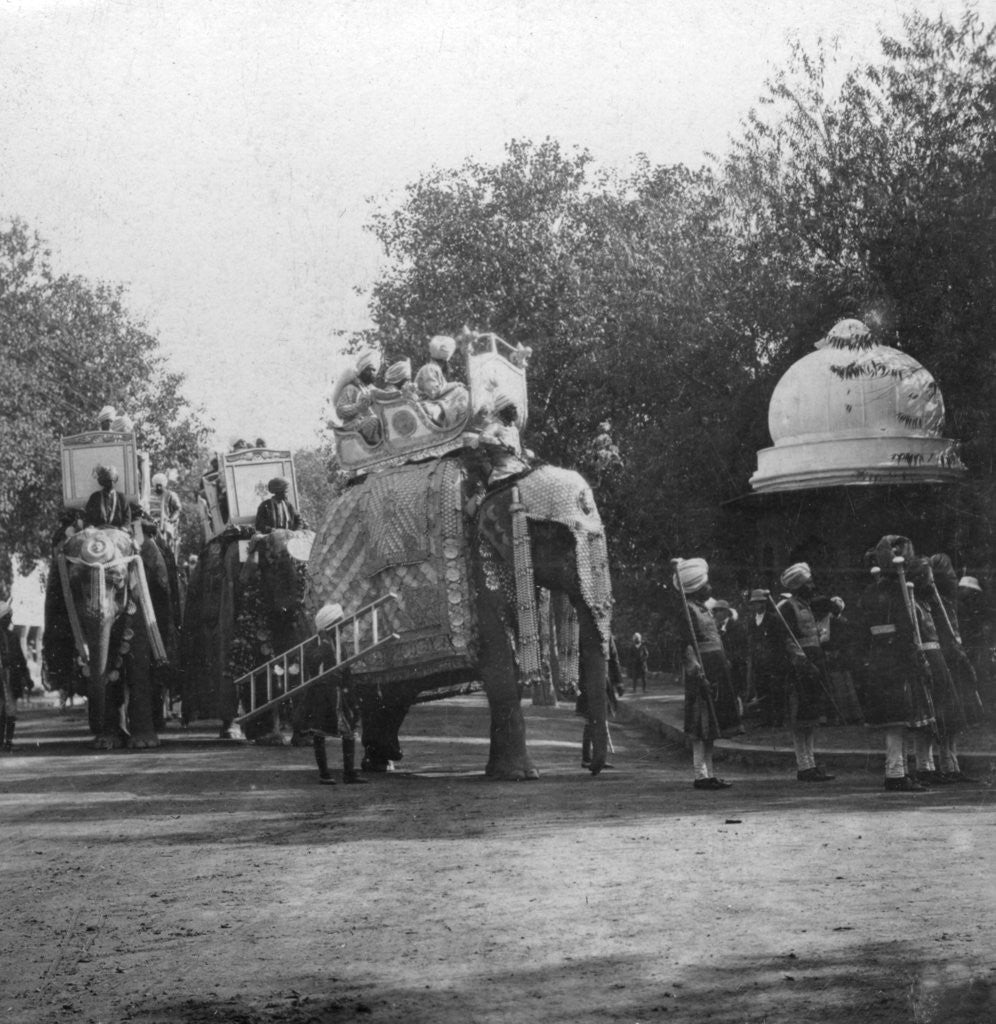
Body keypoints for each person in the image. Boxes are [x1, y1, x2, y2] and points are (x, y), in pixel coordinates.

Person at [857, 535, 936, 792]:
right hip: (898, 658)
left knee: (894, 718)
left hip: (877, 656)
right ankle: (895, 772)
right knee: (899, 718)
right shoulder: (900, 591)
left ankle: (897, 769)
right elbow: (907, 629)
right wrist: (915, 657)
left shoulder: (869, 592)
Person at [673, 557, 742, 790]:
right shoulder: (688, 610)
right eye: (705, 585)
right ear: (695, 587)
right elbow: (685, 644)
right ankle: (700, 774)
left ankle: (710, 773)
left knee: (712, 725)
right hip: (701, 670)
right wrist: (695, 668)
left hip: (716, 669)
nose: (708, 588)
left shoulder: (704, 609)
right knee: (701, 723)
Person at [293, 603, 367, 785]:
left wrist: (352, 696)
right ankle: (324, 773)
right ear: (328, 626)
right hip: (321, 695)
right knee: (320, 733)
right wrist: (325, 645)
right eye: (338, 625)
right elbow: (312, 664)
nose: (340, 629)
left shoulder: (340, 645)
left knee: (349, 731)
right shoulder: (313, 646)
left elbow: (346, 672)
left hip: (339, 694)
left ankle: (349, 773)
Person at [775, 563, 836, 782]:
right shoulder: (786, 607)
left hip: (815, 663)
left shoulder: (806, 605)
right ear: (798, 586)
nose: (812, 586)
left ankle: (811, 761)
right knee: (799, 718)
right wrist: (803, 662)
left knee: (811, 717)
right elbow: (787, 640)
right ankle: (803, 764)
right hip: (800, 668)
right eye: (808, 583)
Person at [745, 588, 784, 726]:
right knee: (761, 688)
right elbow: (750, 640)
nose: (757, 606)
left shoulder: (773, 618)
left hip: (772, 660)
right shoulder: (751, 620)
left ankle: (778, 718)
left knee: (774, 688)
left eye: (759, 603)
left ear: (764, 603)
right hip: (758, 660)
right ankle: (765, 718)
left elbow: (779, 641)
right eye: (754, 603)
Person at [414, 334, 469, 427]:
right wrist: (455, 385)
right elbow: (433, 392)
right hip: (425, 403)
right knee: (460, 391)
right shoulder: (429, 368)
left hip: (432, 401)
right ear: (445, 362)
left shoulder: (435, 369)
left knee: (462, 391)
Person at [478, 392, 532, 486]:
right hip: (502, 472)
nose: (515, 411)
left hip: (518, 468)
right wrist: (502, 444)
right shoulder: (496, 426)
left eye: (515, 408)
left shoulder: (514, 429)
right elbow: (483, 437)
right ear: (504, 410)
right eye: (512, 408)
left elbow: (520, 450)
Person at [332, 350, 383, 444]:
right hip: (353, 427)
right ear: (362, 370)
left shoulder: (369, 389)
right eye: (369, 369)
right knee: (374, 421)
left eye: (374, 370)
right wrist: (358, 407)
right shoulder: (350, 388)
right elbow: (340, 411)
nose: (372, 373)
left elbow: (383, 395)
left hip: (366, 423)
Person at [82, 465, 132, 529]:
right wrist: (89, 526)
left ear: (115, 481)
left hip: (117, 531)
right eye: (108, 481)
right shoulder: (95, 497)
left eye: (113, 481)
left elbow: (127, 517)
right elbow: (87, 516)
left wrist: (124, 527)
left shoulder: (121, 497)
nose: (111, 484)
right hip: (98, 531)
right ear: (102, 482)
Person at [148, 472, 182, 556]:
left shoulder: (170, 495)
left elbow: (177, 509)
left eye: (160, 485)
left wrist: (171, 519)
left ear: (164, 485)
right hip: (150, 521)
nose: (159, 487)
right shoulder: (149, 494)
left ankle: (168, 552)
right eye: (157, 485)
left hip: (166, 521)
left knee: (167, 532)